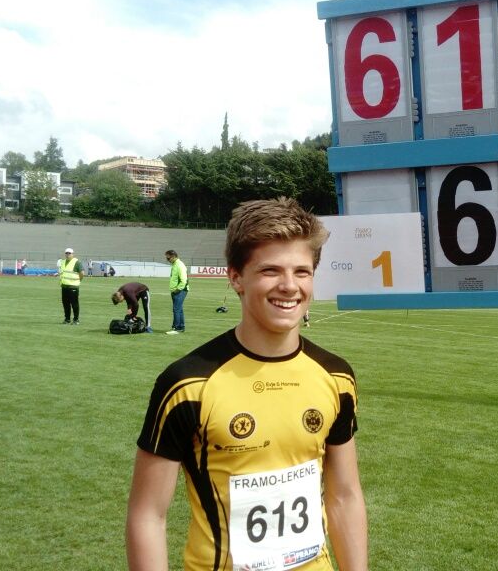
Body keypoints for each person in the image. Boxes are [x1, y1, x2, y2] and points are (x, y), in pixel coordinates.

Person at [126, 197, 367, 571]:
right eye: (271, 270)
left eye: (302, 272)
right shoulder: (188, 384)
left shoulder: (336, 377)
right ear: (236, 277)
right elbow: (148, 515)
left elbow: (344, 497)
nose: (289, 286)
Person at [57, 248, 84, 324]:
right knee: (65, 304)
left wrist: (79, 280)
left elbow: (82, 273)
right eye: (66, 253)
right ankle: (67, 319)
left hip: (73, 287)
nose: (68, 254)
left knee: (74, 304)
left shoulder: (77, 262)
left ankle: (76, 319)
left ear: (73, 254)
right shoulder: (63, 262)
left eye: (69, 253)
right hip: (64, 286)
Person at [164, 249, 188, 335]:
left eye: (168, 258)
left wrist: (178, 289)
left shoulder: (179, 265)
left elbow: (183, 280)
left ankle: (176, 328)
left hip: (180, 291)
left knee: (176, 309)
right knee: (179, 309)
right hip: (176, 290)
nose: (167, 260)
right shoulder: (175, 264)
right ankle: (181, 327)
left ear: (173, 256)